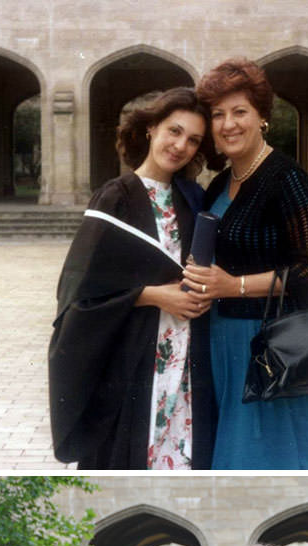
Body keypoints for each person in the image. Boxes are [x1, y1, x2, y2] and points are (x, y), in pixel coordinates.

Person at [49, 87, 222, 470]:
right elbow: (78, 293)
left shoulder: (190, 198)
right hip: (136, 360)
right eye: (173, 131)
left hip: (187, 359)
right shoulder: (115, 198)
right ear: (151, 129)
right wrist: (152, 296)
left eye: (193, 140)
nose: (180, 146)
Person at [183, 58, 308, 470]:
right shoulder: (220, 182)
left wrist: (232, 286)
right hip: (221, 339)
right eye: (218, 114)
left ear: (262, 118)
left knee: (268, 454)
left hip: (272, 345)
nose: (228, 124)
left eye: (239, 112)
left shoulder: (288, 179)